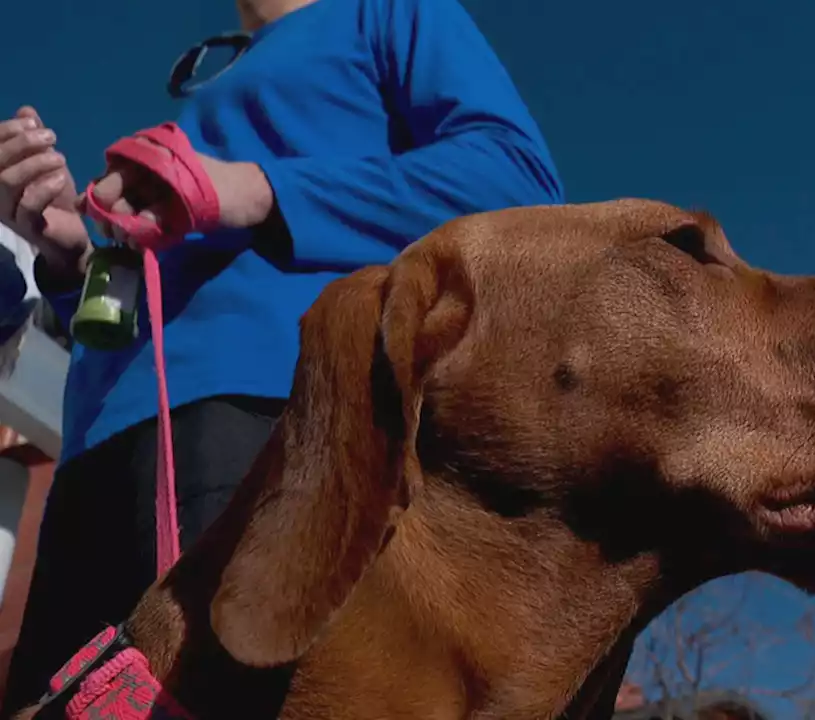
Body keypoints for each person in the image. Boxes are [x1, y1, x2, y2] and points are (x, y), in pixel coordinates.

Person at [0, 0, 563, 710]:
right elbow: (151, 294)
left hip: (272, 416)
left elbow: (515, 179)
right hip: (98, 447)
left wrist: (259, 188)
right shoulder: (219, 75)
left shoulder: (390, 12)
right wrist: (70, 256)